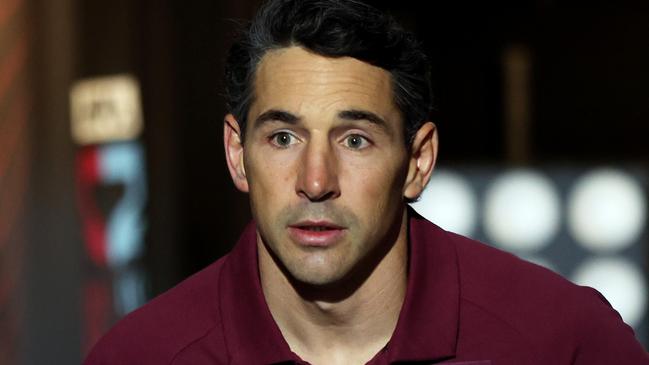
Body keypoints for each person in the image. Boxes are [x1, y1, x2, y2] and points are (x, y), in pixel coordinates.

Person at [84, 0, 649, 364]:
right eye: (283, 138)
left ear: (418, 161)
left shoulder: (560, 341)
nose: (315, 181)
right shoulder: (142, 355)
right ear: (237, 154)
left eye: (355, 140)